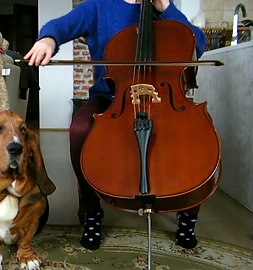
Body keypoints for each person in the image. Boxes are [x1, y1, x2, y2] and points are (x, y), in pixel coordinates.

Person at [24, 0, 207, 251]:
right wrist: (49, 39)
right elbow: (61, 25)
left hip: (163, 99)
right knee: (80, 129)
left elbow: (197, 43)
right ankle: (92, 212)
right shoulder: (98, 7)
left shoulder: (164, 8)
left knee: (193, 137)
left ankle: (187, 213)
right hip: (112, 97)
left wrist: (165, 8)